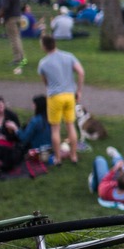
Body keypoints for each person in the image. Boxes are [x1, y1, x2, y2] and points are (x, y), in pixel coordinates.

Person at [37, 33, 85, 164]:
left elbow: (45, 82)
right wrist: (79, 91)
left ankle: (58, 158)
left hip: (55, 97)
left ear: (44, 46)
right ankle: (73, 156)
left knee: (55, 129)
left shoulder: (43, 63)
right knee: (70, 126)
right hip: (70, 95)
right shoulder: (68, 56)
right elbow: (81, 72)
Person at [0, 0, 25, 73]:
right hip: (18, 17)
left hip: (10, 18)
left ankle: (17, 58)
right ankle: (22, 56)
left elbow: (4, 8)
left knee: (14, 39)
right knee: (17, 37)